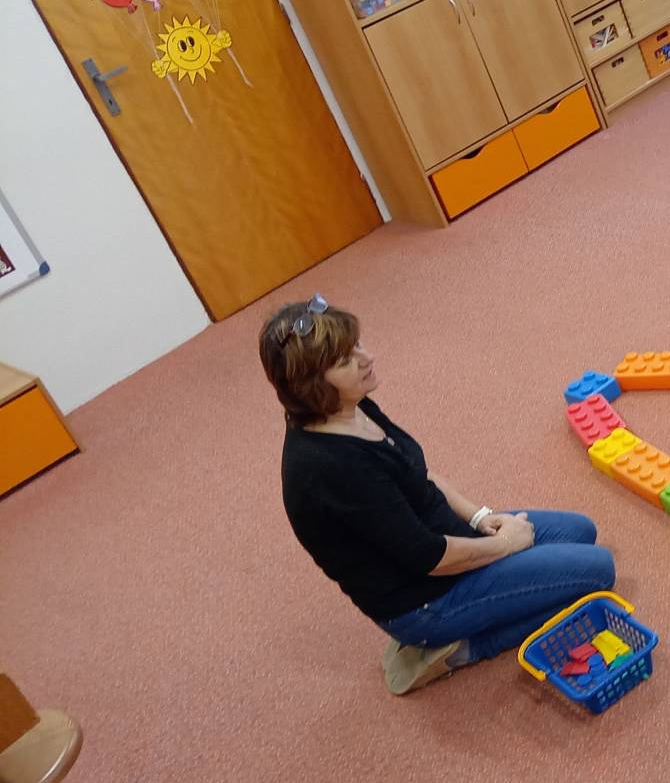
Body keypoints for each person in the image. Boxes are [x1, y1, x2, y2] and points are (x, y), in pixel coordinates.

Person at [260, 295, 617, 696]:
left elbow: (418, 472)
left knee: (581, 531)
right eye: (346, 361)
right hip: (427, 598)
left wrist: (480, 517)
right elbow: (428, 557)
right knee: (598, 574)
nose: (367, 358)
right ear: (312, 387)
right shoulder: (332, 469)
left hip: (447, 540)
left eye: (357, 344)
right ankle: (462, 648)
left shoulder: (348, 407)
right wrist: (504, 544)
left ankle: (496, 594)